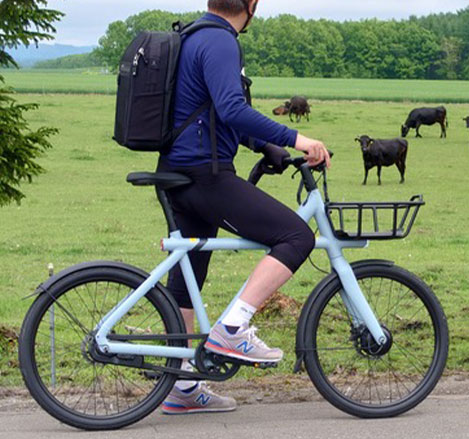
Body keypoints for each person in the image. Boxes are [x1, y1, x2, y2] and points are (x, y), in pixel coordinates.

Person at [158, 0, 330, 415]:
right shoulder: (220, 41)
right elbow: (233, 108)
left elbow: (213, 112)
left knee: (188, 279)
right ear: (251, 6)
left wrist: (265, 146)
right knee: (296, 235)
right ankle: (233, 328)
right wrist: (296, 139)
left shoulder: (192, 36)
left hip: (178, 173)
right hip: (205, 177)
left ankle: (182, 385)